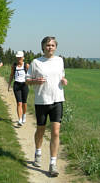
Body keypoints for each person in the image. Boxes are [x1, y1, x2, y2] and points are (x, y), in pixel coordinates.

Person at [26, 36, 68, 177]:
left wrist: (64, 80)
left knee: (55, 132)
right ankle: (38, 152)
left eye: (52, 45)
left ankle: (52, 163)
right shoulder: (36, 62)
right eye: (47, 45)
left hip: (57, 100)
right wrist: (35, 80)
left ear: (55, 47)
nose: (50, 47)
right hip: (42, 101)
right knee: (41, 130)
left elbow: (62, 76)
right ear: (43, 47)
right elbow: (27, 80)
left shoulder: (60, 61)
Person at [8, 51, 29, 127]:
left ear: (23, 57)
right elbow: (11, 75)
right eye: (18, 57)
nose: (19, 58)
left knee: (24, 103)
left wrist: (30, 81)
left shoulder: (26, 65)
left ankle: (24, 115)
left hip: (24, 85)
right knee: (19, 103)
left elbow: (30, 75)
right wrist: (9, 84)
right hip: (16, 85)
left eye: (20, 57)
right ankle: (20, 119)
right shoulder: (14, 66)